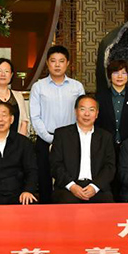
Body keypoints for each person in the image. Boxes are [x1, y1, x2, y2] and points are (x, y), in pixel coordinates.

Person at [29, 45, 85, 204]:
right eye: (53, 61)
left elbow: (82, 114)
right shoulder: (38, 86)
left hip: (71, 140)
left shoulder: (77, 87)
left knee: (70, 176)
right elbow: (35, 116)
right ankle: (46, 210)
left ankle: (68, 210)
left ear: (68, 63)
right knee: (45, 177)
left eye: (61, 61)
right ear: (47, 63)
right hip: (45, 138)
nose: (57, 65)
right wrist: (50, 139)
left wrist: (68, 138)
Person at [50, 95, 116, 203]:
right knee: (67, 203)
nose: (87, 114)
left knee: (107, 204)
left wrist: (95, 187)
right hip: (68, 187)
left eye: (91, 110)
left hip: (97, 187)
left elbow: (110, 166)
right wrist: (72, 186)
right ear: (76, 111)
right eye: (82, 109)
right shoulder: (62, 134)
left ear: (97, 114)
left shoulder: (105, 137)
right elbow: (55, 164)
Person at [96, 58, 128, 148]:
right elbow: (97, 123)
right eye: (116, 73)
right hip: (105, 145)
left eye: (123, 73)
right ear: (109, 76)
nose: (120, 76)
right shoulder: (100, 97)